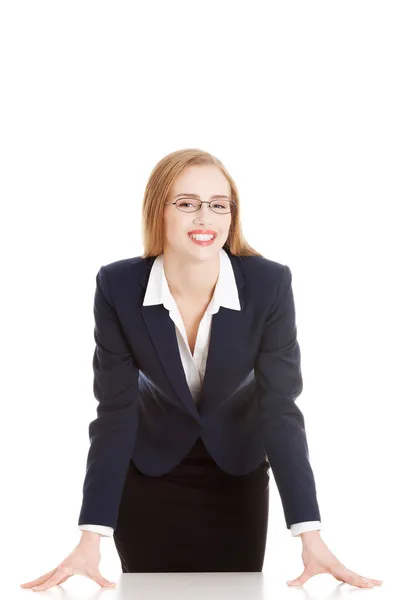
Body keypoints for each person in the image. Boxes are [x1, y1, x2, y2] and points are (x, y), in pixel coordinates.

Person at [20, 148, 382, 590]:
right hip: (148, 480)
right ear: (159, 210)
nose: (204, 218)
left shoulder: (269, 285)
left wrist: (310, 533)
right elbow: (115, 413)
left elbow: (280, 410)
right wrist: (91, 535)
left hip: (237, 477)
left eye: (218, 205)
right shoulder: (116, 286)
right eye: (187, 203)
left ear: (232, 215)